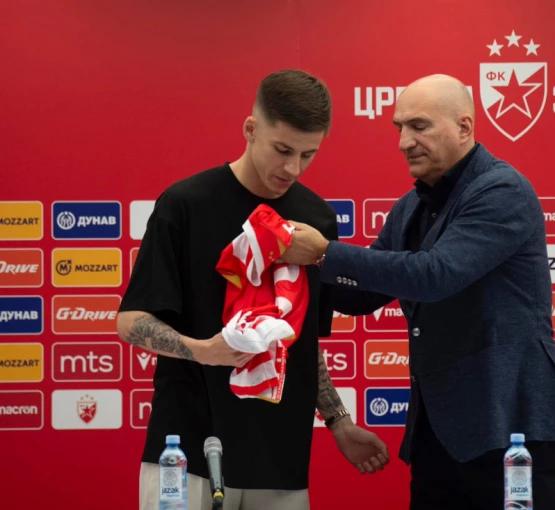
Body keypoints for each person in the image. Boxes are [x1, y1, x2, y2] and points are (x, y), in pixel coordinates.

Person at [278, 74, 555, 510]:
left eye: (419, 126)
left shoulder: (502, 190)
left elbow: (435, 276)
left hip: (514, 434)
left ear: (464, 127)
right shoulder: (412, 205)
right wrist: (279, 264)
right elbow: (360, 296)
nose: (404, 141)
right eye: (399, 127)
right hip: (439, 440)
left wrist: (324, 252)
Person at [116, 69, 389, 510]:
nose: (293, 168)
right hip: (186, 449)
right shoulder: (184, 205)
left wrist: (338, 419)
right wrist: (203, 350)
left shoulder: (317, 219)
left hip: (279, 457)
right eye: (283, 150)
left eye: (308, 154)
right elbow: (131, 322)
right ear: (250, 129)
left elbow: (303, 343)